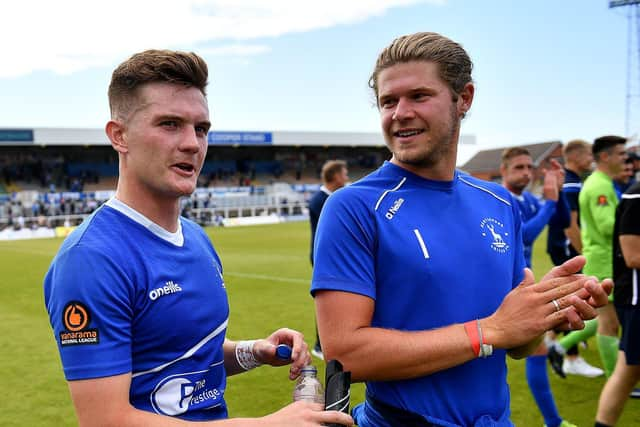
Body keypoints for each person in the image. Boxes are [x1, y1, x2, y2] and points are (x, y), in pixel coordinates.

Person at [310, 31, 612, 427]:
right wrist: (488, 330)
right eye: (388, 101)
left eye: (418, 96)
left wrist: (544, 311)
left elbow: (518, 344)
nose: (400, 112)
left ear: (463, 98)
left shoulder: (499, 203)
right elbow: (345, 354)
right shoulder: (354, 206)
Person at [43, 49, 352, 427]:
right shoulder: (91, 259)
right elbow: (107, 420)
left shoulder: (196, 237)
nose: (192, 143)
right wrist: (266, 425)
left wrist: (255, 351)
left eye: (201, 128)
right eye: (170, 124)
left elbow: (182, 354)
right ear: (119, 135)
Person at [500, 147, 576, 427]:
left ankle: (553, 421)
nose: (526, 173)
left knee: (537, 350)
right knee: (491, 359)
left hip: (522, 286)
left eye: (529, 167)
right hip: (501, 290)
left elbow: (562, 221)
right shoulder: (502, 199)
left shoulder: (529, 199)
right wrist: (549, 202)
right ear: (504, 170)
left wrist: (556, 189)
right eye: (519, 167)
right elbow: (526, 235)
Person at [546, 140, 604, 378]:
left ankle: (554, 342)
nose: (592, 158)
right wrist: (584, 254)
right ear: (576, 156)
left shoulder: (574, 179)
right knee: (573, 299)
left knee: (573, 299)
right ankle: (569, 356)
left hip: (566, 247)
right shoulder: (570, 182)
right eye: (588, 154)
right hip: (567, 248)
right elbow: (570, 225)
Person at [579, 136, 628, 378]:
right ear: (606, 157)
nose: (625, 158)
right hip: (604, 262)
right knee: (610, 324)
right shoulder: (599, 186)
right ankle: (614, 378)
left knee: (606, 320)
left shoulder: (602, 182)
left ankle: (560, 345)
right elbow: (608, 225)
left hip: (605, 260)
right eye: (621, 153)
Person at [594, 180, 640, 426]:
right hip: (635, 299)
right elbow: (633, 256)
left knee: (628, 371)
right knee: (626, 371)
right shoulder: (636, 196)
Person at [308, 159, 349, 360]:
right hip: (323, 257)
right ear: (335, 176)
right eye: (344, 173)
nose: (347, 177)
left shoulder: (331, 197)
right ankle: (319, 344)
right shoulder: (320, 200)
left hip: (333, 256)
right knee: (327, 302)